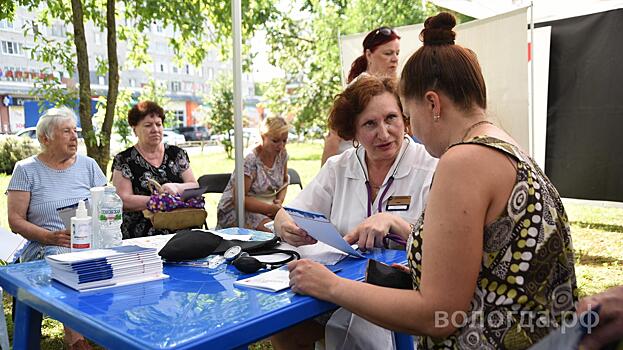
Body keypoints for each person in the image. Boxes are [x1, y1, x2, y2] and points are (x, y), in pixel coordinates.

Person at [283, 12, 577, 349]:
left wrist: (330, 287)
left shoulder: (462, 161)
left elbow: (439, 314)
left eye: (406, 115)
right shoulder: (505, 147)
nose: (410, 130)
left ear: (432, 103)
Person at [270, 75, 437, 349]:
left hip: (401, 295)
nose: (383, 133)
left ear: (405, 118)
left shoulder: (431, 167)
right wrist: (285, 225)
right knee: (285, 329)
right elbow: (289, 212)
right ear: (353, 131)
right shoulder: (340, 166)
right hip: (338, 289)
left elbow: (445, 248)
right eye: (370, 124)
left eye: (391, 118)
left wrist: (396, 223)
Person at [6, 106, 107, 350]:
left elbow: (107, 205)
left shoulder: (89, 165)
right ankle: (76, 341)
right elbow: (15, 220)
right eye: (66, 131)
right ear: (45, 139)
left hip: (89, 241)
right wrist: (48, 237)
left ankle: (119, 329)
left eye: (75, 131)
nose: (75, 137)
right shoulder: (26, 169)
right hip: (45, 245)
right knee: (65, 260)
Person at [112, 101, 199, 239]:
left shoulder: (177, 154)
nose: (155, 129)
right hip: (143, 232)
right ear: (134, 130)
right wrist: (157, 202)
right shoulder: (124, 159)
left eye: (158, 124)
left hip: (181, 225)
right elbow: (123, 199)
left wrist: (176, 187)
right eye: (148, 125)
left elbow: (194, 186)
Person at [321, 26, 401, 166]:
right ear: (369, 55)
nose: (394, 59)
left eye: (397, 53)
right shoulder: (356, 90)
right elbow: (333, 138)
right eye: (388, 53)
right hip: (354, 169)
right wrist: (327, 178)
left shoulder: (394, 90)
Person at [216, 116, 290, 232]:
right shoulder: (250, 159)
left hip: (266, 208)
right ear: (263, 137)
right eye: (275, 141)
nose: (281, 146)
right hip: (237, 210)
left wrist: (279, 201)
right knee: (276, 231)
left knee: (290, 227)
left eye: (284, 141)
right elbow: (239, 198)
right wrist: (271, 209)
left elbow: (284, 183)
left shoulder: (282, 155)